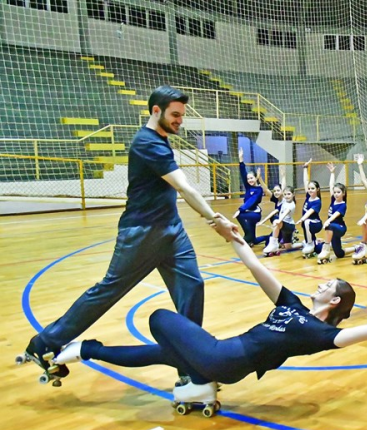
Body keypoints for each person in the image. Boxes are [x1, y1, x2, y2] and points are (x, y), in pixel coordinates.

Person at [53, 216, 367, 413]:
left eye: (328, 286)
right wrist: (232, 236)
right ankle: (88, 350)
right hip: (221, 356)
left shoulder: (320, 335)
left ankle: (196, 377)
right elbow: (256, 267)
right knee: (165, 352)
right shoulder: (292, 305)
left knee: (159, 317)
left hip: (224, 359)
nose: (321, 285)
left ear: (334, 302)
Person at [23, 85, 238, 384]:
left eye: (181, 115)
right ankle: (44, 343)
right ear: (156, 111)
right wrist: (215, 219)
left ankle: (189, 362)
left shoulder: (161, 140)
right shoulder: (146, 142)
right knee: (109, 290)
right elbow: (184, 187)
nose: (180, 121)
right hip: (142, 233)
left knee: (192, 287)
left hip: (171, 229)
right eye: (175, 115)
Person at [317, 163, 355, 264]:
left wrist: (327, 221)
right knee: (339, 254)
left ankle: (326, 250)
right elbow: (331, 185)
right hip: (333, 229)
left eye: (338, 192)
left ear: (343, 193)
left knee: (329, 225)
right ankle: (357, 248)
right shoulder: (333, 200)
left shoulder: (343, 205)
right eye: (335, 192)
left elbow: (335, 215)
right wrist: (332, 173)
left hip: (340, 228)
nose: (336, 194)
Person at [233, 147, 268, 247]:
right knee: (254, 240)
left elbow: (252, 201)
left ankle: (247, 236)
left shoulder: (259, 190)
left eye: (251, 178)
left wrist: (241, 209)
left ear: (256, 178)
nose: (249, 180)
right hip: (249, 212)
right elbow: (243, 173)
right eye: (248, 179)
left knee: (240, 215)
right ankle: (269, 237)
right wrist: (241, 160)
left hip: (255, 214)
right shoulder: (248, 186)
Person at [294, 159, 323, 258]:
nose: (310, 190)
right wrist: (305, 168)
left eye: (312, 188)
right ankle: (315, 243)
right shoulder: (308, 196)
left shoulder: (317, 201)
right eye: (309, 188)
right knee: (317, 249)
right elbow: (306, 181)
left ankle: (311, 244)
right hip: (307, 223)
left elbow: (309, 212)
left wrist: (301, 219)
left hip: (315, 224)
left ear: (317, 189)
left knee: (306, 222)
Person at [263, 182, 299, 256]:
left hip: (289, 226)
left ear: (293, 194)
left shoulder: (292, 204)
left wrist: (279, 220)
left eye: (289, 194)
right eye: (285, 194)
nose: (287, 196)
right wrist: (263, 221)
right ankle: (304, 244)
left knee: (276, 222)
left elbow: (285, 212)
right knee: (288, 246)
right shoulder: (284, 201)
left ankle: (274, 244)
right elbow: (283, 186)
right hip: (285, 226)